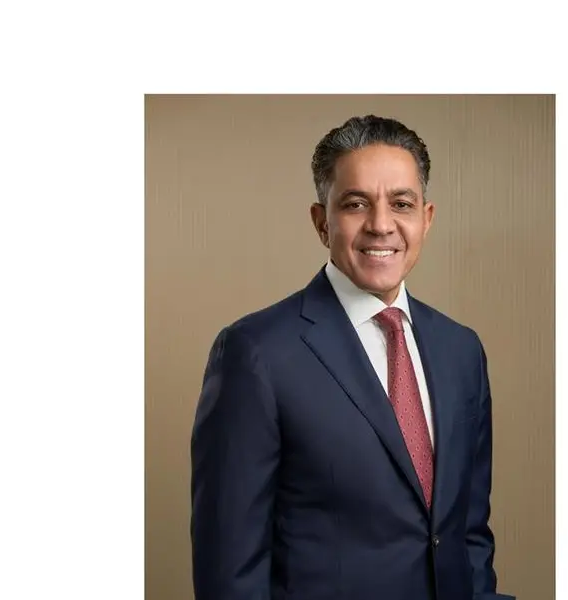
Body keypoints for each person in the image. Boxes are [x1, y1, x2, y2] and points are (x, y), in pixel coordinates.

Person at [190, 115, 515, 600]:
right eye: (356, 203)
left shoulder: (461, 350)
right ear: (322, 222)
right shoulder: (255, 353)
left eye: (401, 204)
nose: (381, 225)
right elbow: (229, 571)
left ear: (426, 218)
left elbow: (468, 534)